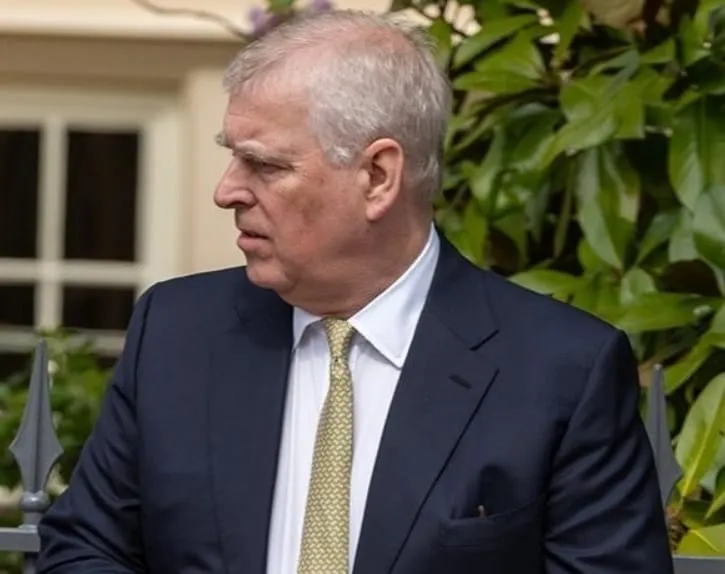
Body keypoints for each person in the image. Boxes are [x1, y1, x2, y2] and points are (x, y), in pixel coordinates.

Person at [36, 9, 673, 574]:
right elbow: (84, 548)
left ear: (377, 176)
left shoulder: (560, 371)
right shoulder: (178, 330)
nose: (226, 191)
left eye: (265, 164)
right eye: (233, 156)